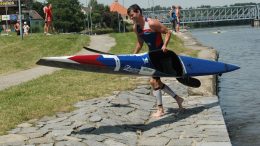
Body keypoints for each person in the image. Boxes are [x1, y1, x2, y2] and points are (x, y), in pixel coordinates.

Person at [127, 4, 184, 118]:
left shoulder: (152, 23)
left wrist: (165, 45)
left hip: (161, 55)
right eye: (130, 16)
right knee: (155, 82)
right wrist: (132, 56)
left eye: (132, 15)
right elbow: (140, 43)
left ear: (138, 12)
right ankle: (178, 99)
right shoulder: (136, 27)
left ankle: (160, 109)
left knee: (153, 82)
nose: (131, 18)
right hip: (152, 56)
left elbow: (168, 32)